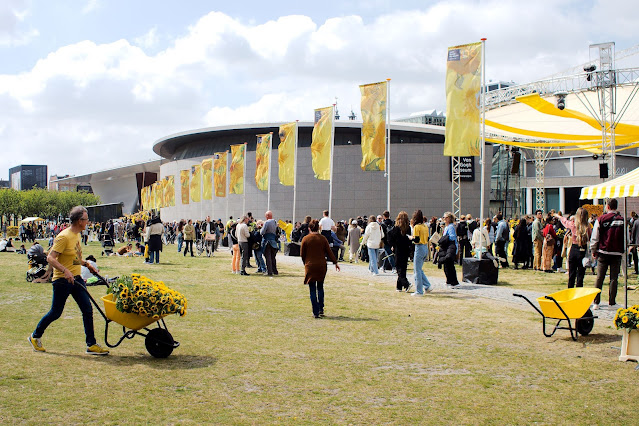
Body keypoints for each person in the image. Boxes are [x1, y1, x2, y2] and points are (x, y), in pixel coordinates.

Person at [28, 206, 109, 355]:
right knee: (56, 312)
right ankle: (35, 336)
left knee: (87, 309)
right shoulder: (64, 236)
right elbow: (50, 258)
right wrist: (65, 271)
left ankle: (91, 344)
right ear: (79, 221)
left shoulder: (77, 235)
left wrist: (86, 264)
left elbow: (73, 258)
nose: (88, 222)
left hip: (77, 279)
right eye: (86, 219)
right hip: (62, 281)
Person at [300, 219, 340, 318]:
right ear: (318, 228)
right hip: (321, 265)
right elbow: (329, 252)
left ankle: (315, 311)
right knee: (320, 287)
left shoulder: (305, 239)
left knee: (312, 288)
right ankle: (321, 308)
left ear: (309, 228)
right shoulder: (322, 238)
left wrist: (305, 263)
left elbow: (302, 254)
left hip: (310, 265)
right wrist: (335, 262)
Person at [591, 198, 624, 309]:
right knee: (614, 278)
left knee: (600, 277)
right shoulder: (622, 220)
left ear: (608, 206)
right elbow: (626, 238)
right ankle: (612, 302)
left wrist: (593, 250)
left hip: (603, 252)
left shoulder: (600, 219)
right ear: (616, 207)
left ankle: (596, 302)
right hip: (617, 253)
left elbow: (595, 237)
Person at [555, 209, 591, 288]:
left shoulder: (572, 224)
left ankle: (570, 291)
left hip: (574, 249)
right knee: (580, 275)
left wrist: (559, 216)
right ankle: (578, 292)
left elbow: (565, 221)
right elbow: (590, 236)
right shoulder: (587, 226)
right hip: (583, 250)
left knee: (572, 274)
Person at [387, 211, 413, 292]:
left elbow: (391, 238)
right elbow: (409, 240)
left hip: (398, 249)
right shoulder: (408, 228)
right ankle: (399, 287)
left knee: (399, 268)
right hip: (405, 249)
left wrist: (392, 245)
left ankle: (406, 284)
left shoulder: (396, 228)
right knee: (403, 268)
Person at [410, 210, 432, 296]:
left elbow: (417, 239)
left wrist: (410, 238)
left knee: (417, 271)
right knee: (419, 269)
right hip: (425, 247)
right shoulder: (425, 226)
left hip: (419, 247)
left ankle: (419, 291)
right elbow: (427, 237)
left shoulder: (417, 227)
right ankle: (427, 285)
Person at [439, 212, 459, 287]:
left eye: (445, 217)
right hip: (446, 248)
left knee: (450, 265)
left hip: (450, 248)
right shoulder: (447, 227)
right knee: (447, 265)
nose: (444, 219)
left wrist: (444, 239)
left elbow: (452, 237)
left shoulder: (451, 227)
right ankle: (449, 280)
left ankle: (454, 281)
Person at [261, 211, 279, 276]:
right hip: (274, 242)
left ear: (267, 216)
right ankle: (275, 271)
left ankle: (269, 271)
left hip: (267, 242)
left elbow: (262, 232)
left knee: (268, 257)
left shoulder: (267, 222)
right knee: (273, 257)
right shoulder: (275, 222)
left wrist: (261, 228)